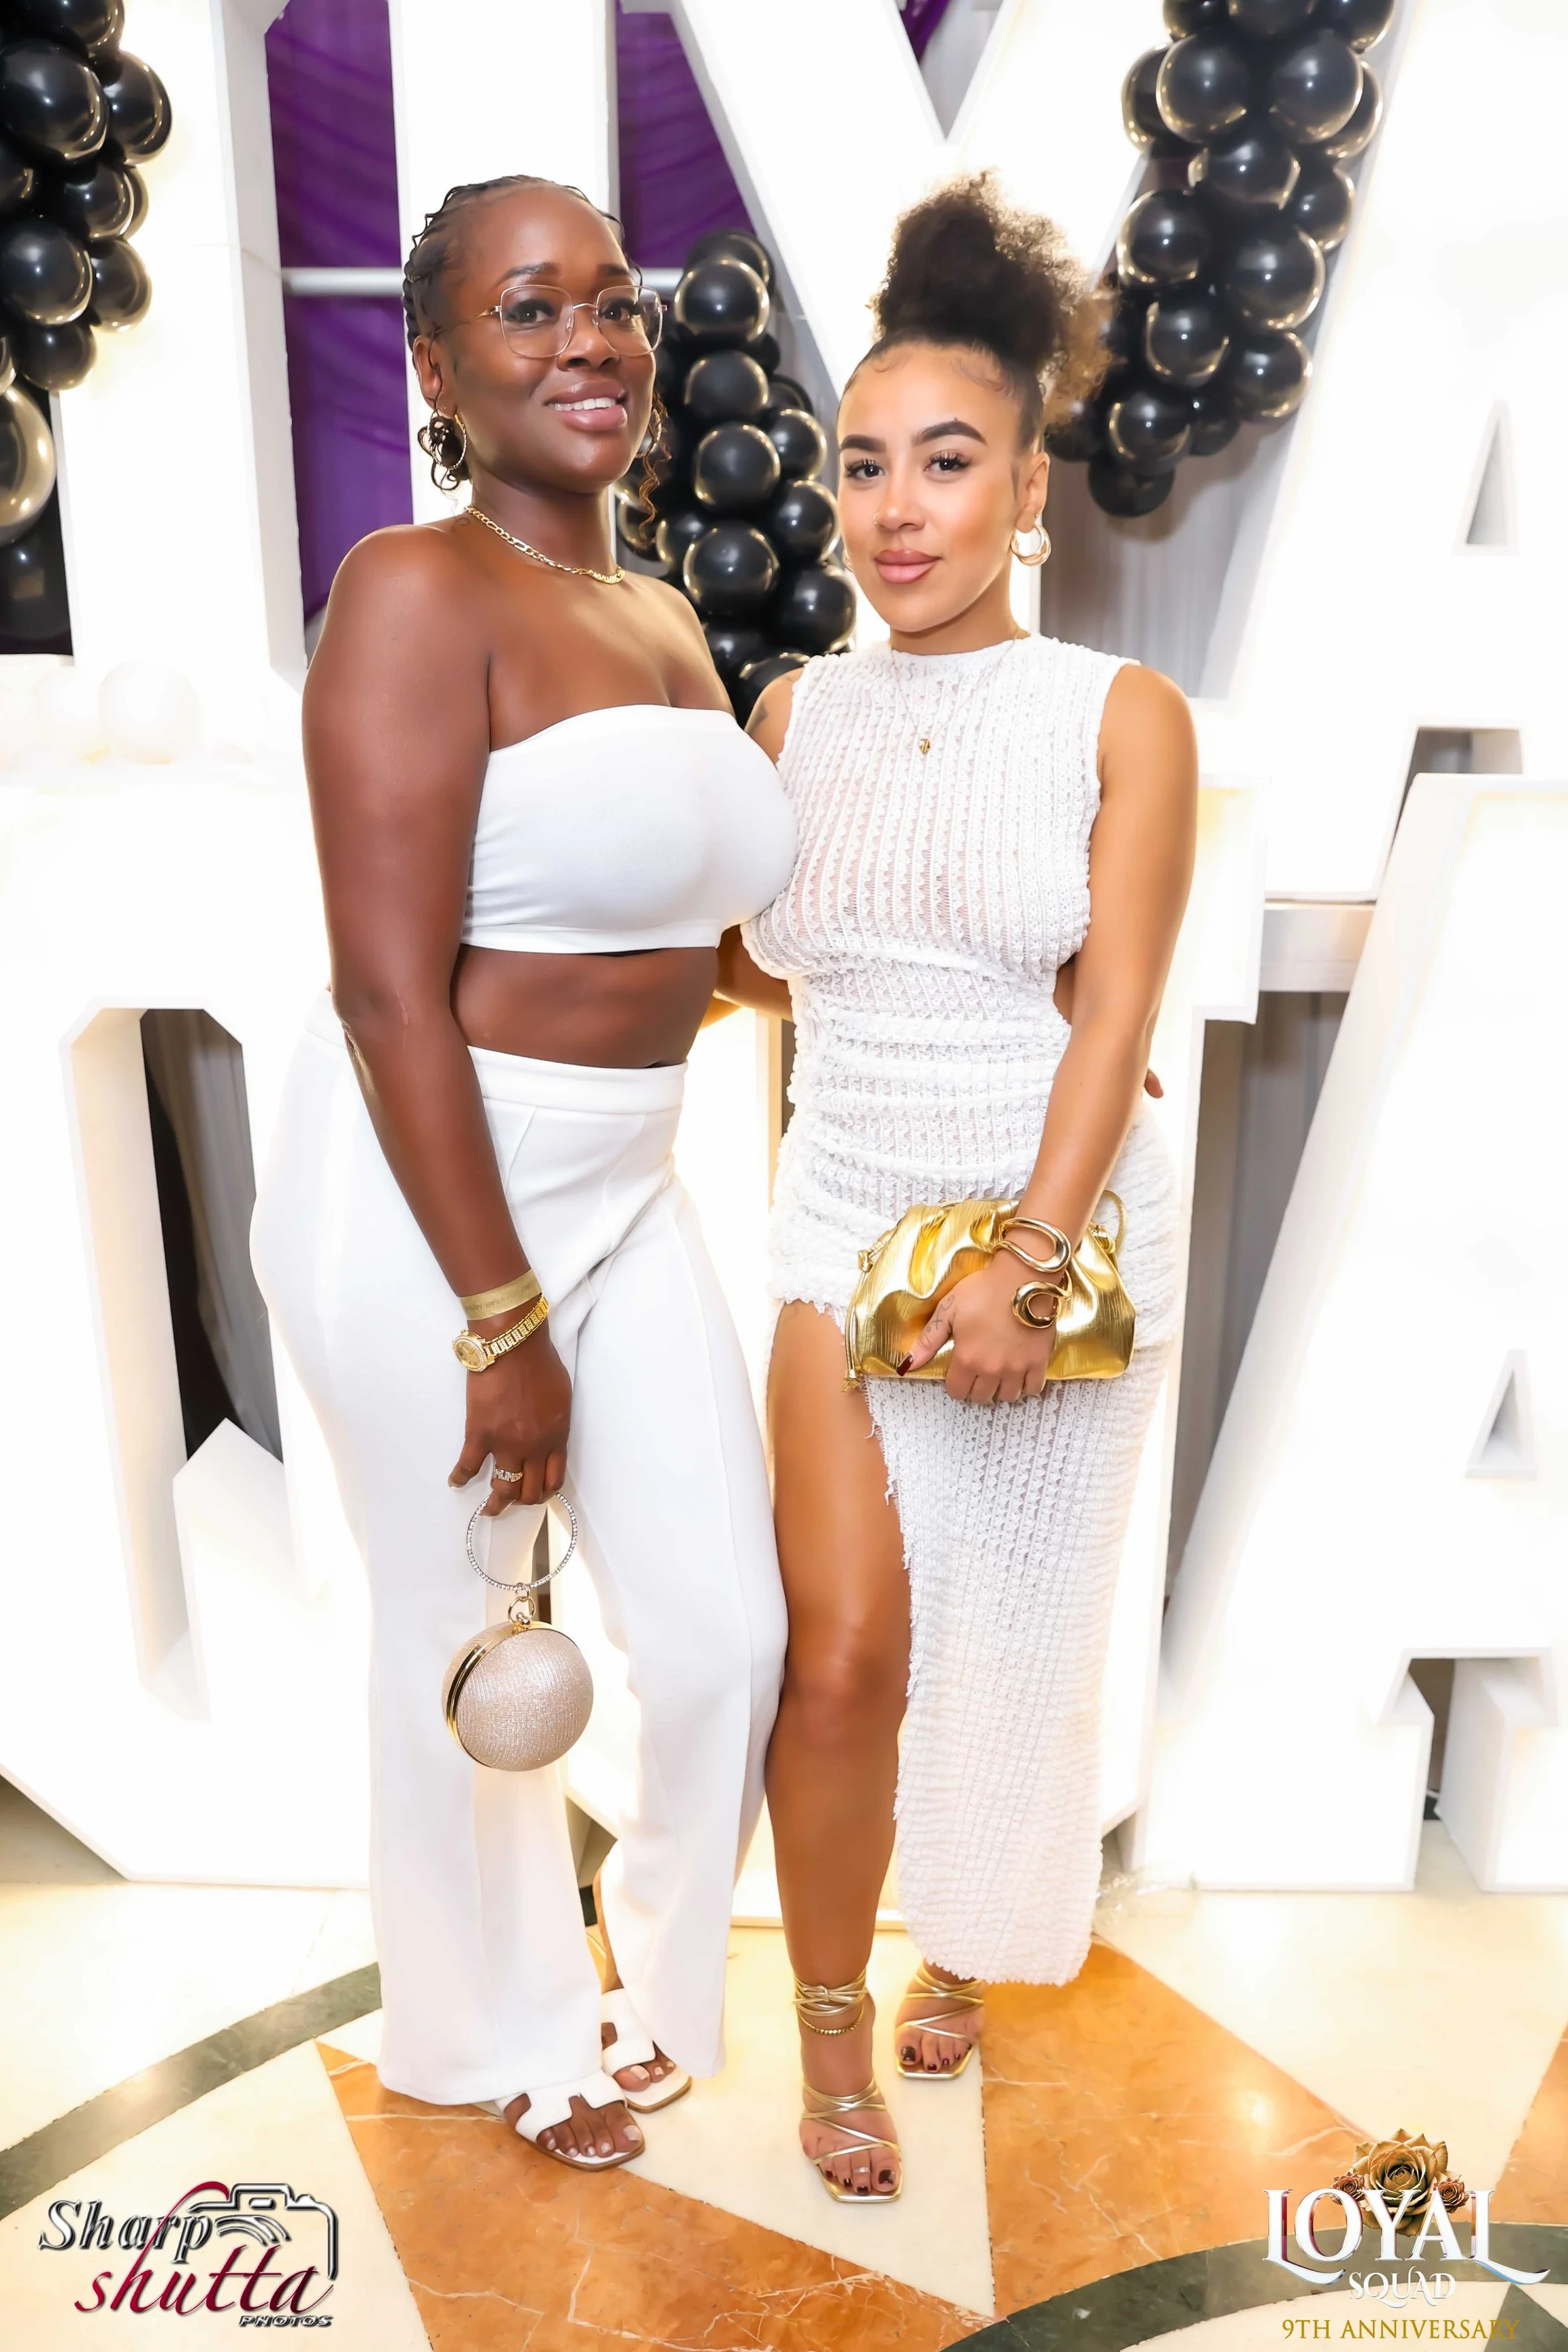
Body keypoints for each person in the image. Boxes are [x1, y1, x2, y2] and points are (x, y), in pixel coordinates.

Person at [252, 174, 793, 2173]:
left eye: (612, 301)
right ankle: (496, 2032)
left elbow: (702, 953)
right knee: (466, 1635)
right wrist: (500, 1319)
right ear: (436, 366)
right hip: (430, 1188)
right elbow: (386, 988)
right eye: (527, 306)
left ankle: (651, 1988)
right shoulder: (413, 590)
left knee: (724, 1628)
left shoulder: (657, 616)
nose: (588, 340)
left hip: (629, 1177)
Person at [715, 174, 1197, 2201]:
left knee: (1005, 1636)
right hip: (839, 1209)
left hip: (1051, 1223)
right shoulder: (790, 709)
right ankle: (831, 2026)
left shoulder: (1118, 717)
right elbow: (776, 961)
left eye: (945, 460)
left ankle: (965, 1942)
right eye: (862, 463)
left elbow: (1117, 1009)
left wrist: (1027, 1257)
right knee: (839, 1650)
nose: (895, 507)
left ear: (1025, 488)